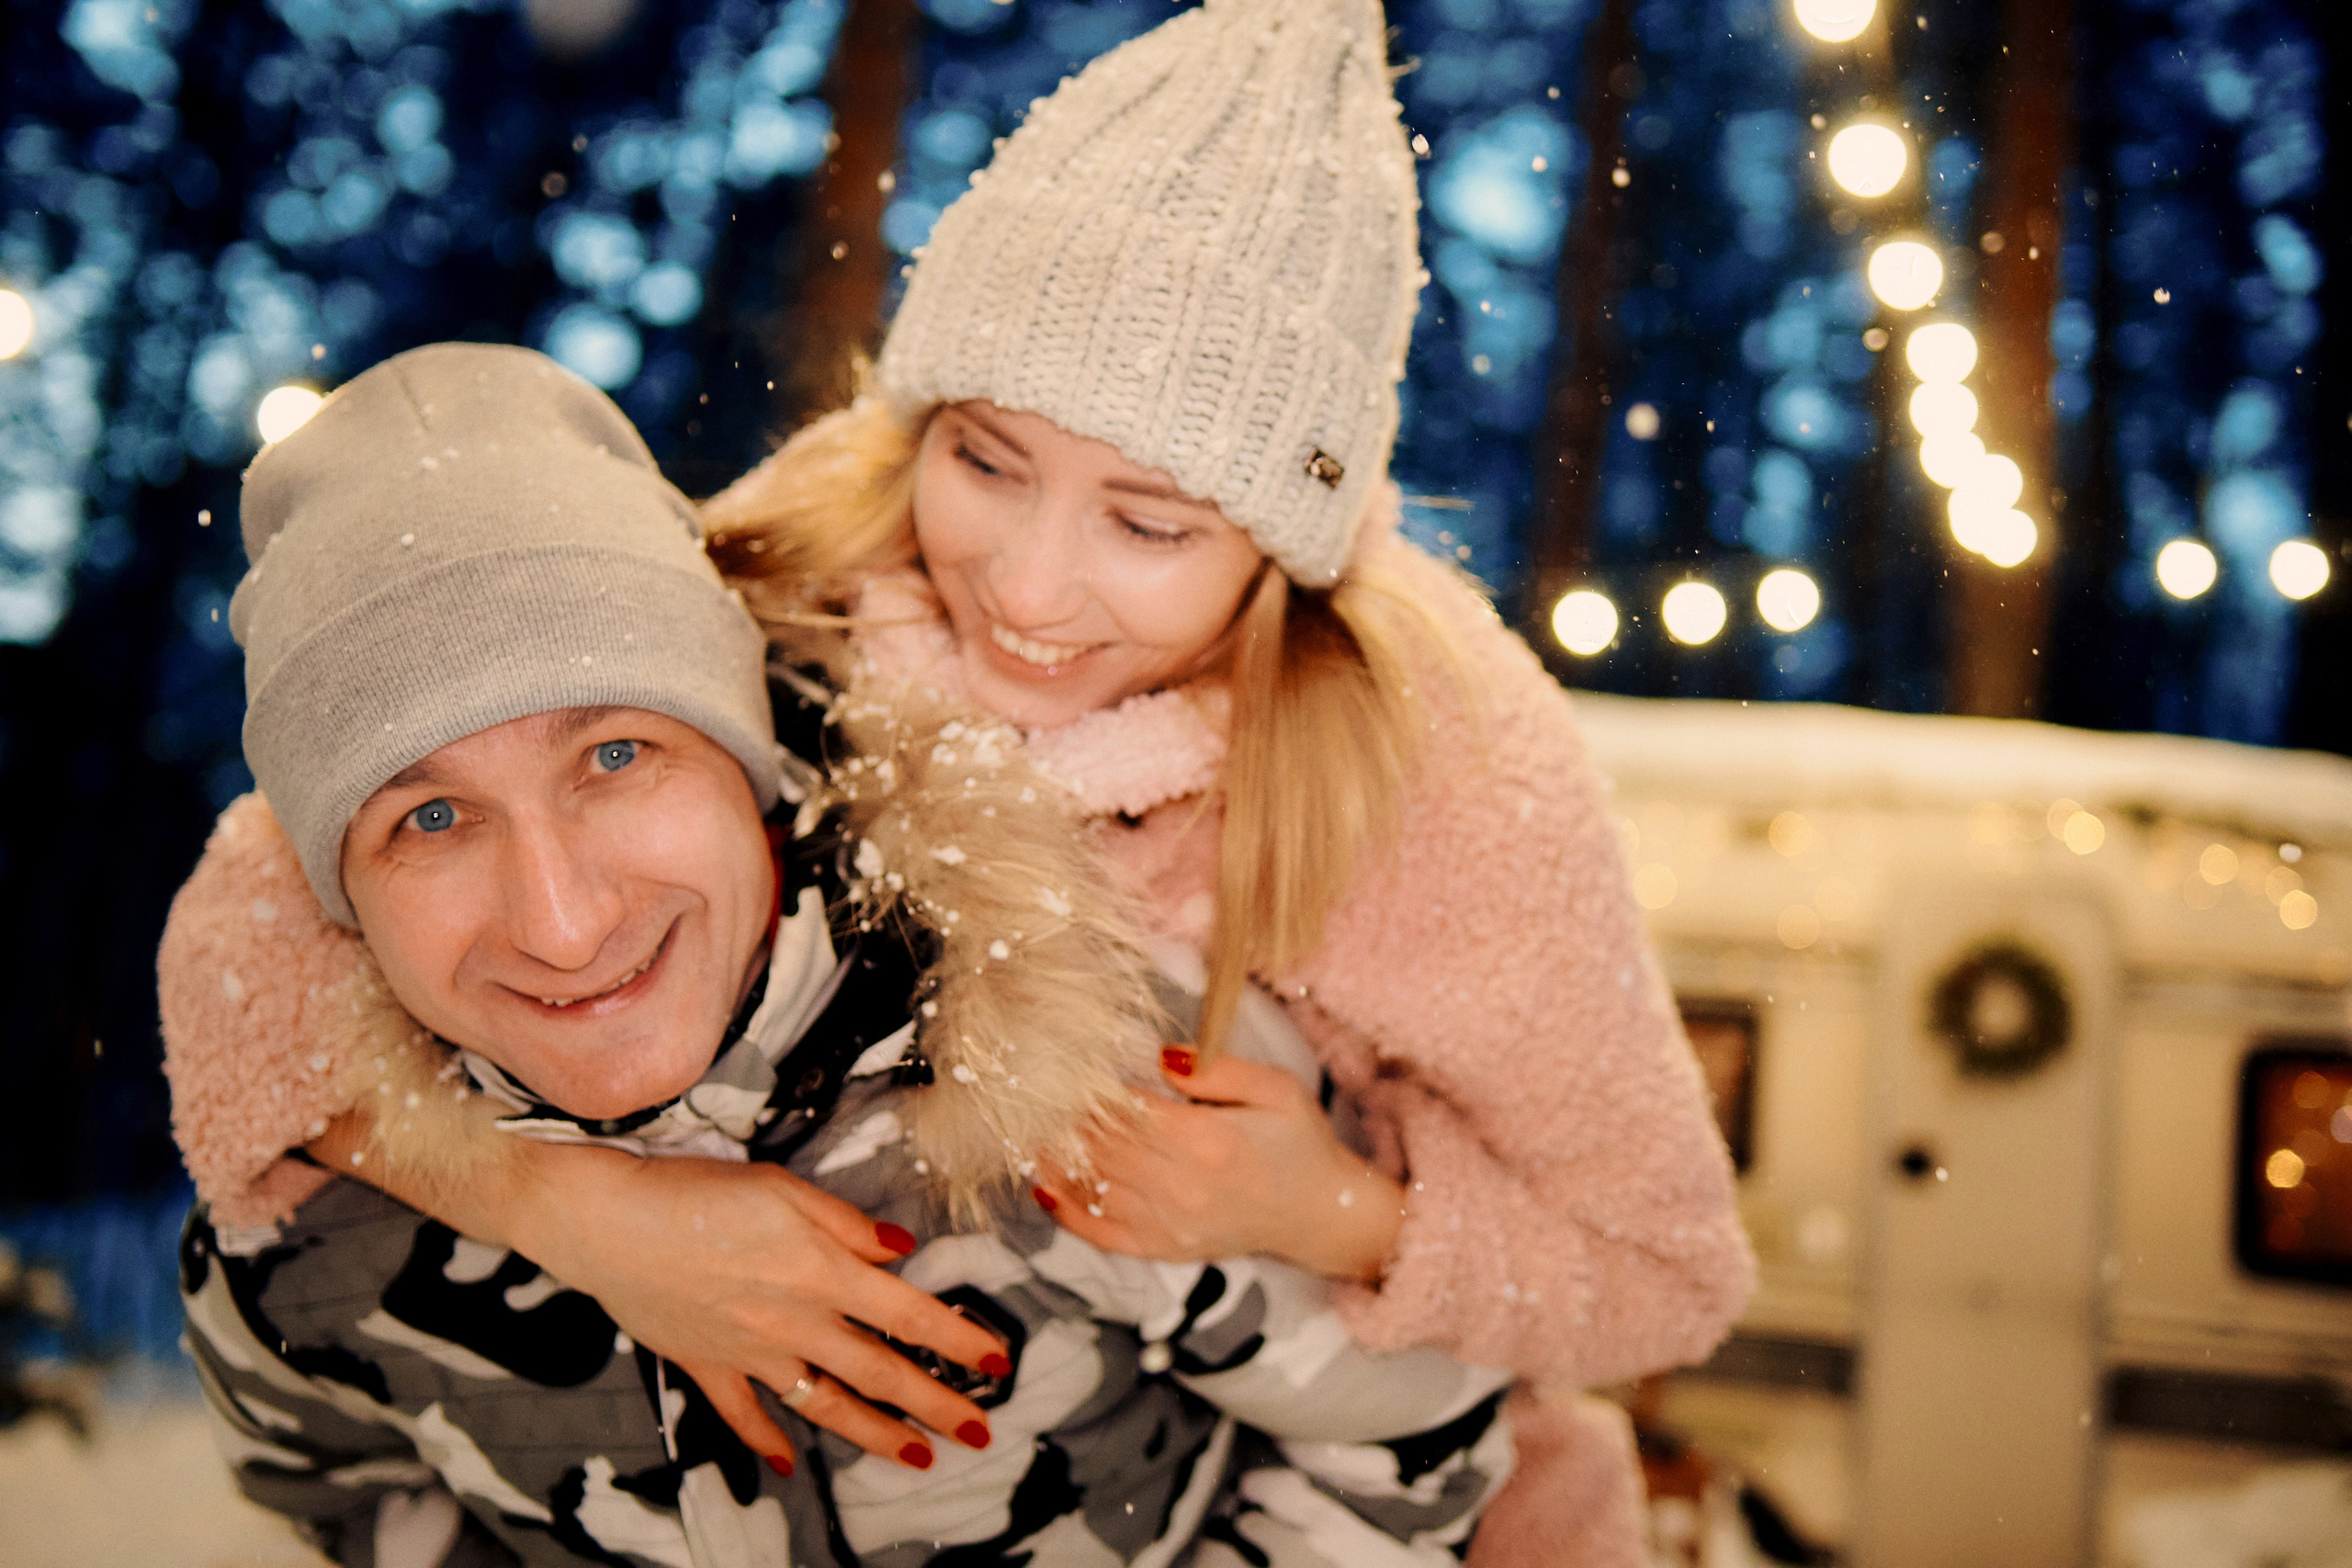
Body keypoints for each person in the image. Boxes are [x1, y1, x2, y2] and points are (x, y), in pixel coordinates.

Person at [161, 3, 1755, 1562]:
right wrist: (561, 1206)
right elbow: (260, 938)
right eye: (987, 460)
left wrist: (1338, 1211)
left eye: (1150, 522)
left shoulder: (1440, 766)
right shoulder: (805, 563)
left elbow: (1664, 1275)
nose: (1033, 588)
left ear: (1288, 541)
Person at [181, 340, 1517, 1566]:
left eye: (616, 754)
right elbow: (340, 1493)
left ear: (747, 760)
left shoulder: (1084, 1060)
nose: (563, 921)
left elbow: (1411, 1443)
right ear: (334, 890)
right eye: (429, 815)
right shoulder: (306, 1239)